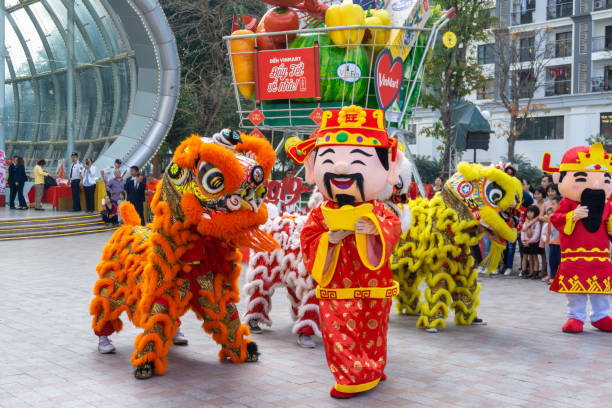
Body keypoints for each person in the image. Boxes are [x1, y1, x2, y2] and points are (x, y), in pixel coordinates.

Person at [287, 106, 402, 399]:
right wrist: (331, 237)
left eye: (357, 160)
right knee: (340, 333)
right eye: (330, 160)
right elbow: (308, 238)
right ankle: (351, 377)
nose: (340, 168)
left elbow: (394, 228)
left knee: (374, 333)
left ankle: (373, 368)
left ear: (387, 169)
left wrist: (375, 229)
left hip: (374, 286)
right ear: (314, 168)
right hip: (338, 287)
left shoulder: (378, 209)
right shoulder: (321, 213)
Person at [542, 142, 612, 333]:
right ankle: (575, 317)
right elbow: (555, 219)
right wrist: (573, 216)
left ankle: (601, 315)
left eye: (606, 178)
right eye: (582, 178)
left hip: (600, 256)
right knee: (576, 289)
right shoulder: (568, 202)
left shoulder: (607, 205)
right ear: (561, 178)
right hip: (575, 255)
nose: (597, 184)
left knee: (602, 289)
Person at [533, 186, 550, 278]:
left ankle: (544, 270)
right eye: (535, 194)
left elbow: (540, 217)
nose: (536, 195)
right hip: (535, 229)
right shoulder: (533, 205)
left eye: (538, 193)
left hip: (544, 228)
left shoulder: (545, 204)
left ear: (543, 194)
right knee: (535, 251)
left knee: (543, 251)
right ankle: (535, 269)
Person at [520, 205, 541, 279]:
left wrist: (530, 241)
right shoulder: (525, 222)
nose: (529, 214)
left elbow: (537, 234)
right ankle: (523, 272)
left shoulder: (537, 223)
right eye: (528, 212)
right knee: (524, 257)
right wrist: (523, 240)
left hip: (533, 242)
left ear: (535, 213)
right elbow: (523, 232)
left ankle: (535, 273)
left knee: (535, 257)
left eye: (531, 212)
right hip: (525, 242)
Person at [546, 198, 562, 285]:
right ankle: (553, 277)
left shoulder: (564, 216)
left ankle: (561, 278)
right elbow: (549, 230)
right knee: (552, 261)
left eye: (553, 204)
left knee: (560, 261)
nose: (551, 206)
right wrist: (547, 241)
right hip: (552, 243)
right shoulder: (551, 216)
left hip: (561, 243)